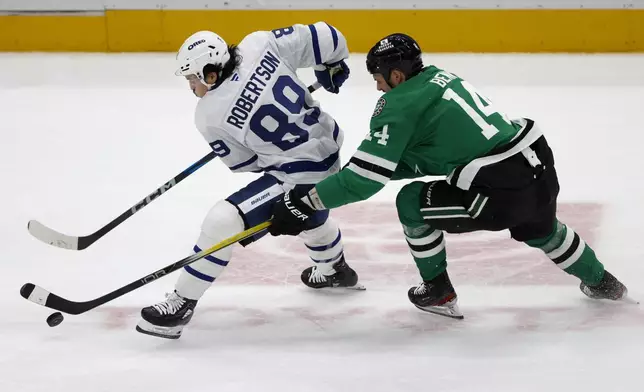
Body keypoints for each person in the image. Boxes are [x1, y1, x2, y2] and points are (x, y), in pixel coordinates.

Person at [268, 33, 628, 319]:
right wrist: (361, 169)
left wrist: (306, 202)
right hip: (537, 168)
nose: (377, 87)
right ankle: (605, 283)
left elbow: (365, 181)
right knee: (543, 229)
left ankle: (438, 291)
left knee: (411, 202)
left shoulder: (398, 104)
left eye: (378, 78)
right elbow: (426, 157)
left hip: (499, 191)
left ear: (396, 75)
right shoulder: (442, 79)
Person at [136, 23, 364, 340]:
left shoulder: (208, 114)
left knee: (222, 221)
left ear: (210, 73)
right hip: (332, 153)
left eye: (192, 78)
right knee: (304, 205)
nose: (191, 85)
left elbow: (247, 163)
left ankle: (181, 305)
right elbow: (328, 36)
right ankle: (334, 268)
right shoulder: (259, 43)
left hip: (300, 173)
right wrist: (332, 64)